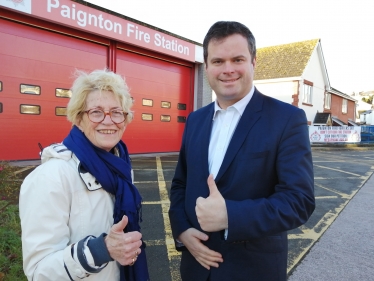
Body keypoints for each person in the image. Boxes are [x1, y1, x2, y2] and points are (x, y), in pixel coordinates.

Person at [168, 21, 315, 281]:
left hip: (251, 270)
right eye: (218, 61)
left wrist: (230, 216)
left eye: (237, 59)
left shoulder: (286, 119)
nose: (228, 70)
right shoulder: (195, 120)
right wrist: (182, 231)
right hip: (195, 268)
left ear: (253, 62)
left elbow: (298, 201)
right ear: (207, 66)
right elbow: (181, 183)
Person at [19, 69, 149, 281]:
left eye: (116, 112)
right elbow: (39, 272)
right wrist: (100, 250)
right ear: (78, 118)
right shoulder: (51, 177)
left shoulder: (121, 167)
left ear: (125, 120)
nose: (108, 121)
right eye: (96, 112)